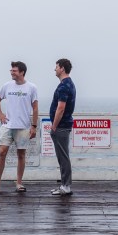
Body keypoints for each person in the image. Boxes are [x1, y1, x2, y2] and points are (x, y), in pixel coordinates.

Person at [0, 61, 38, 193]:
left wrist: (34, 126)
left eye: (14, 70)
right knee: (2, 153)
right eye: (11, 70)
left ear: (22, 72)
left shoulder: (31, 87)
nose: (11, 72)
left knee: (21, 155)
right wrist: (0, 114)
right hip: (7, 126)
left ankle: (19, 183)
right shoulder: (7, 86)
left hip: (23, 127)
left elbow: (35, 108)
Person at [49, 58, 76, 197]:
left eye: (56, 66)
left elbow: (60, 108)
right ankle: (64, 185)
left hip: (61, 126)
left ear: (62, 69)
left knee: (63, 157)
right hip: (64, 125)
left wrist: (54, 126)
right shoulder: (68, 84)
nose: (55, 69)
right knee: (62, 157)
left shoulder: (64, 86)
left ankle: (66, 186)